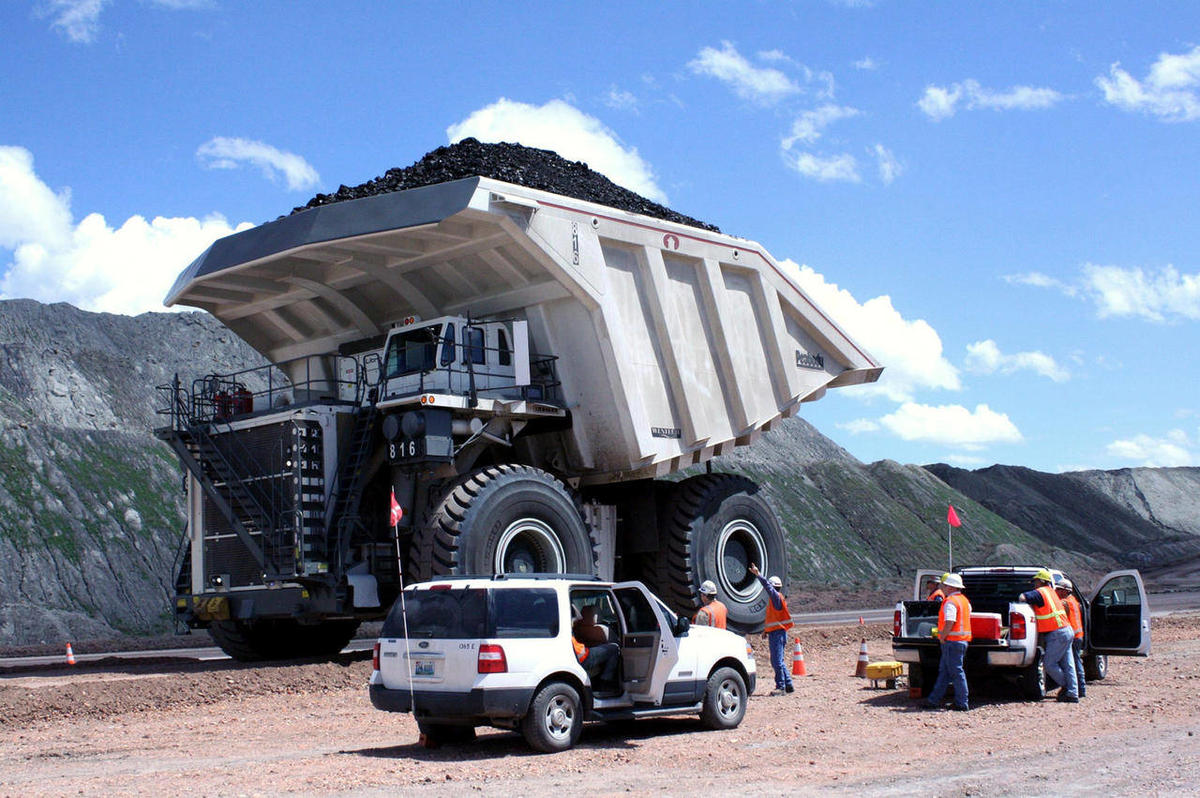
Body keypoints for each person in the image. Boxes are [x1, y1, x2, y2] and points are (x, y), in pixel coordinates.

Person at [1020, 568, 1078, 702]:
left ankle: (1066, 686)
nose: (1034, 584)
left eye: (1035, 582)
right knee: (1068, 664)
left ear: (1041, 581)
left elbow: (1023, 597)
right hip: (1066, 630)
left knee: (1049, 663)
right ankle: (1073, 693)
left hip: (1057, 633)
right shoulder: (1052, 592)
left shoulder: (1040, 593)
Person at [925, 572, 972, 711]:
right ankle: (933, 700)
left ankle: (962, 703)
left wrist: (942, 636)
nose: (944, 588)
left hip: (952, 641)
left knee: (956, 672)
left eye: (946, 585)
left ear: (951, 587)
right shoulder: (964, 601)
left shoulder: (950, 602)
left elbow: (950, 621)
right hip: (961, 641)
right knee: (945, 672)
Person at [749, 563, 793, 695]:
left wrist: (758, 575)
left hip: (777, 634)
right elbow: (773, 619)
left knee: (776, 661)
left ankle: (780, 687)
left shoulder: (776, 597)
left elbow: (768, 588)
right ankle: (789, 684)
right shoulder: (776, 600)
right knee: (779, 661)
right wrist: (765, 630)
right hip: (777, 632)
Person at [1056, 577, 1087, 699]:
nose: (1056, 591)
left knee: (1072, 664)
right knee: (1077, 662)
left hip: (1072, 637)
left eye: (1058, 589)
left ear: (1065, 590)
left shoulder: (1064, 603)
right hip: (1078, 636)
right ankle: (1081, 688)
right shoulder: (1073, 600)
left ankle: (1075, 688)